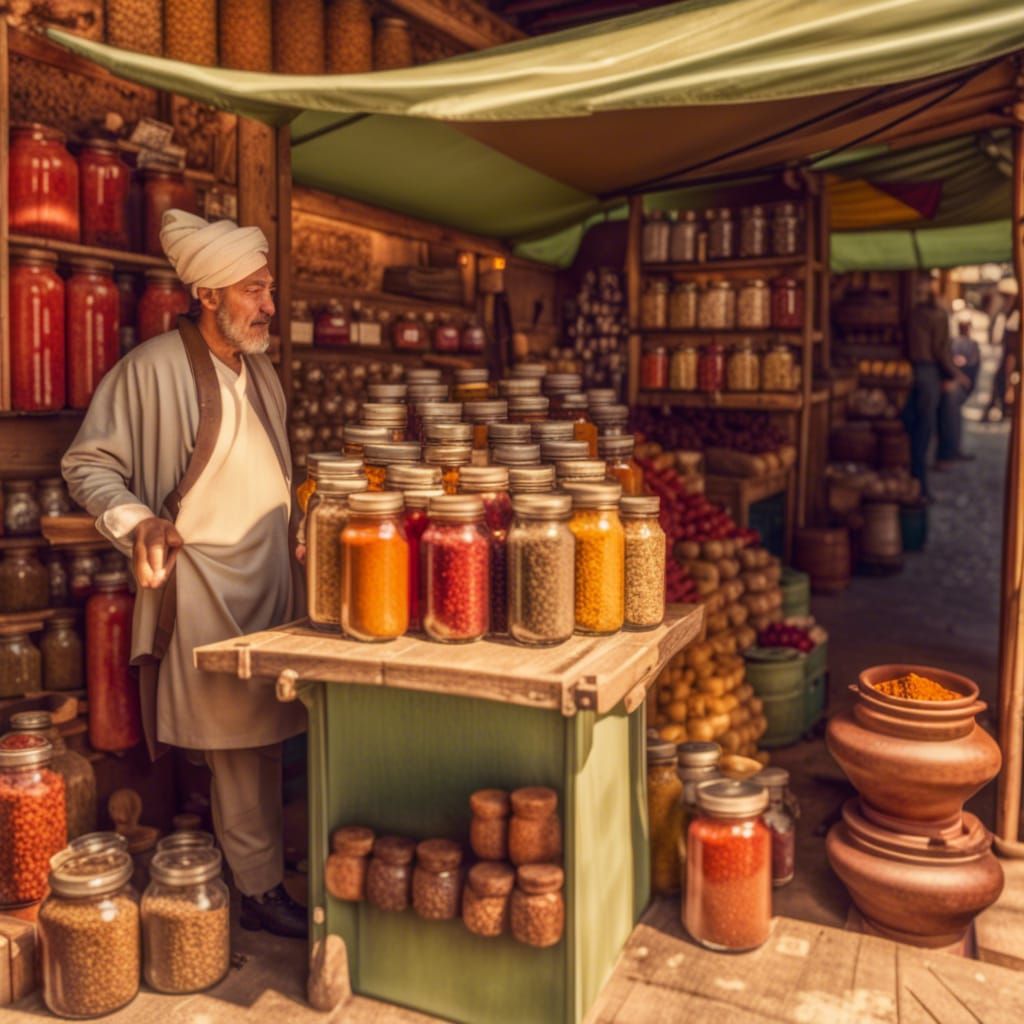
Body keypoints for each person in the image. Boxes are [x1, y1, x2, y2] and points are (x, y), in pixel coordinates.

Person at [62, 210, 307, 938]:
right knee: (236, 750)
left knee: (271, 744)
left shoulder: (260, 371)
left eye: (268, 288)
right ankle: (260, 891)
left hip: (274, 588)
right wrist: (138, 522)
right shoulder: (150, 370)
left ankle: (272, 868)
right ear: (207, 293)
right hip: (206, 588)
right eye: (255, 289)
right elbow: (87, 465)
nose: (269, 304)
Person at [901, 276, 967, 499]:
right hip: (927, 372)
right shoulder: (936, 316)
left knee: (917, 427)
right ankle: (918, 486)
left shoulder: (915, 315)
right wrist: (955, 374)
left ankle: (916, 482)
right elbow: (940, 351)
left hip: (917, 371)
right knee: (923, 430)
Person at [936, 317, 980, 466]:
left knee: (953, 417)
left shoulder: (971, 344)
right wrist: (956, 377)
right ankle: (946, 454)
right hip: (949, 383)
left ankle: (952, 450)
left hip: (957, 382)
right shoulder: (955, 342)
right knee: (949, 418)